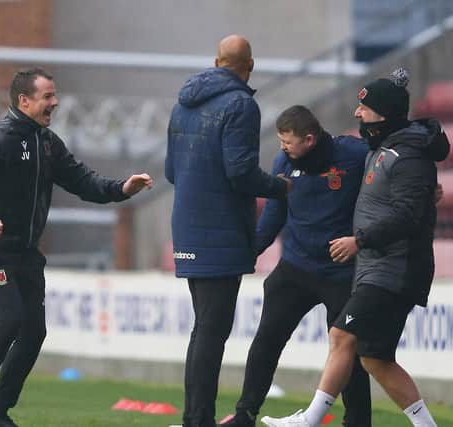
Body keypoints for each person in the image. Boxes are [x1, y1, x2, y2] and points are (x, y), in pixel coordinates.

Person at [0, 68, 153, 427]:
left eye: (54, 95)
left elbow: (83, 180)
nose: (55, 103)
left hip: (25, 251)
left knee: (34, 332)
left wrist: (122, 188)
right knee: (9, 321)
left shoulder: (47, 143)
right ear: (24, 101)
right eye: (48, 96)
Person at [260, 68, 450, 427]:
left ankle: (311, 420)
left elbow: (407, 215)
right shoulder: (382, 148)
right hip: (379, 267)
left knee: (341, 334)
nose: (357, 114)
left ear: (385, 114)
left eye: (365, 108)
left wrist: (359, 240)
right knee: (375, 357)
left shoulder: (407, 155)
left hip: (395, 268)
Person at [165, 35, 289, 427]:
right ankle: (197, 419)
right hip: (221, 230)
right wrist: (278, 187)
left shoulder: (182, 103)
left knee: (204, 327)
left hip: (187, 228)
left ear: (216, 61)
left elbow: (171, 171)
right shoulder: (241, 104)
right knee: (211, 331)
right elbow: (240, 172)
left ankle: (195, 416)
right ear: (249, 65)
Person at [222, 105, 372, 427]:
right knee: (267, 339)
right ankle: (245, 414)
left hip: (341, 273)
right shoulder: (283, 164)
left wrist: (426, 188)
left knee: (349, 351)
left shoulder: (353, 154)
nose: (282, 147)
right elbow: (273, 217)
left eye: (287, 141)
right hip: (296, 268)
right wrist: (246, 255)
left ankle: (358, 422)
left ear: (309, 139)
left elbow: (392, 167)